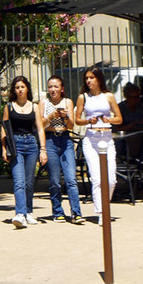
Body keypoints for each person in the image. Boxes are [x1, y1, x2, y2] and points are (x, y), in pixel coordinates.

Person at [76, 67, 122, 220]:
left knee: (111, 179)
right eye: (87, 78)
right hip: (91, 138)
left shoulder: (108, 96)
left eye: (91, 78)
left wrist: (108, 119)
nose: (88, 81)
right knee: (96, 178)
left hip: (107, 137)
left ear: (99, 79)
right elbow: (77, 120)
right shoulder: (83, 97)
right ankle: (102, 212)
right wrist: (89, 120)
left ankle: (105, 205)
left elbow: (119, 118)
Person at [0, 75, 43, 229]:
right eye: (17, 87)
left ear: (27, 89)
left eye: (22, 87)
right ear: (14, 90)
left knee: (29, 182)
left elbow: (39, 128)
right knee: (19, 181)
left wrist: (42, 149)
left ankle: (28, 212)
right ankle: (19, 214)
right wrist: (4, 148)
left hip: (31, 143)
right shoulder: (9, 107)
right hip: (15, 144)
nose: (19, 90)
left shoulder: (34, 107)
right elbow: (4, 128)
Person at [40, 74, 84, 222]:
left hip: (65, 140)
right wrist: (51, 116)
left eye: (56, 86)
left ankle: (76, 212)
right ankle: (57, 211)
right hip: (50, 140)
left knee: (71, 178)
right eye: (50, 87)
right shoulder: (43, 104)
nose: (53, 89)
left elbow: (71, 125)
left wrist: (65, 117)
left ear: (62, 89)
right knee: (54, 180)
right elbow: (40, 125)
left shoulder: (68, 102)